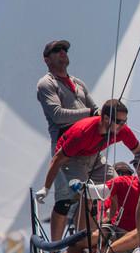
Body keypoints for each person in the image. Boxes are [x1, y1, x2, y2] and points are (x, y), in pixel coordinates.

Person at [35, 99, 140, 234]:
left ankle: (112, 223)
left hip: (93, 154)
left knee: (119, 185)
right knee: (84, 194)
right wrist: (46, 187)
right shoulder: (82, 132)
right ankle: (80, 242)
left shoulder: (122, 131)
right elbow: (57, 160)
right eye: (119, 121)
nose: (122, 125)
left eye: (124, 121)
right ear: (106, 118)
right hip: (72, 158)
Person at [36, 39, 99, 240]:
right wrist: (90, 113)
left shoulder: (78, 83)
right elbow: (58, 115)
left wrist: (102, 115)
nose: (63, 52)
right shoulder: (46, 84)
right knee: (65, 200)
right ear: (47, 59)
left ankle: (82, 244)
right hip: (66, 149)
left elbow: (96, 110)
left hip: (89, 147)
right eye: (57, 50)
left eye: (65, 49)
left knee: (96, 193)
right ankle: (55, 249)